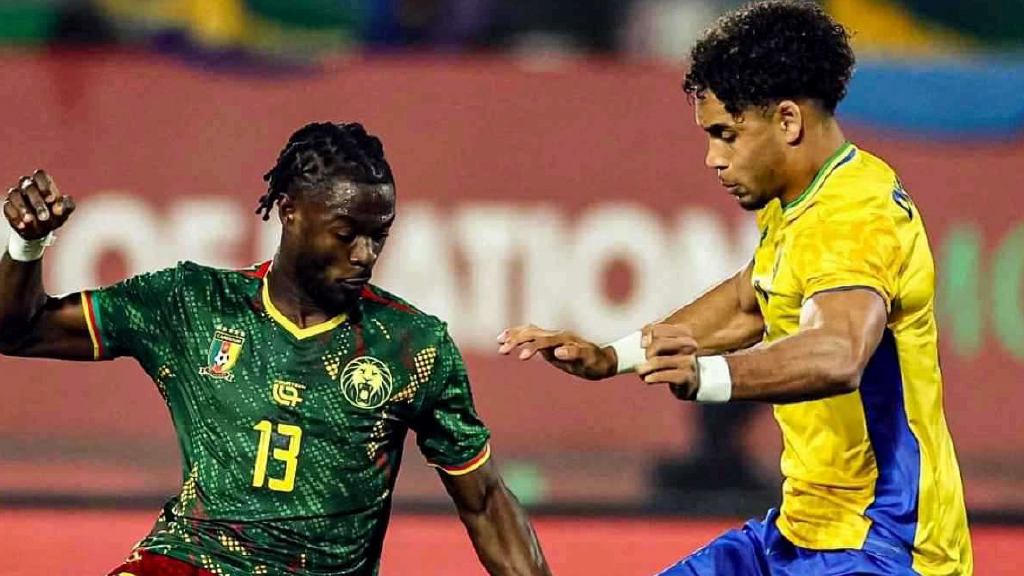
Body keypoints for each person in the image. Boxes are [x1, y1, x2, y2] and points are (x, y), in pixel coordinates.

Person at [497, 2, 972, 575]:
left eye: (726, 135)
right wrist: (613, 357)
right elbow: (751, 300)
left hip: (883, 548)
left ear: (788, 121)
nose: (713, 158)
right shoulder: (801, 200)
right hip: (800, 532)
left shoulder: (855, 216)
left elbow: (839, 352)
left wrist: (708, 376)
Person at [0, 122, 551, 576]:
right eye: (346, 233)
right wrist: (25, 245)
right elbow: (18, 331)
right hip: (195, 560)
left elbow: (484, 501)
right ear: (289, 212)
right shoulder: (192, 302)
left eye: (379, 234)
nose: (365, 254)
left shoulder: (414, 346)